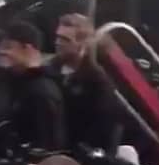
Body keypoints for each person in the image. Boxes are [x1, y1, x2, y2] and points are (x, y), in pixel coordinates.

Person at [53, 15, 123, 154]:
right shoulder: (49, 70)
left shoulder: (98, 83)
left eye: (65, 40)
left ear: (82, 44)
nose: (58, 43)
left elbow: (104, 130)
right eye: (58, 37)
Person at [0, 20, 67, 152]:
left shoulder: (41, 93)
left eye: (8, 47)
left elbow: (47, 146)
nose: (1, 51)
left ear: (27, 49)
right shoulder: (17, 83)